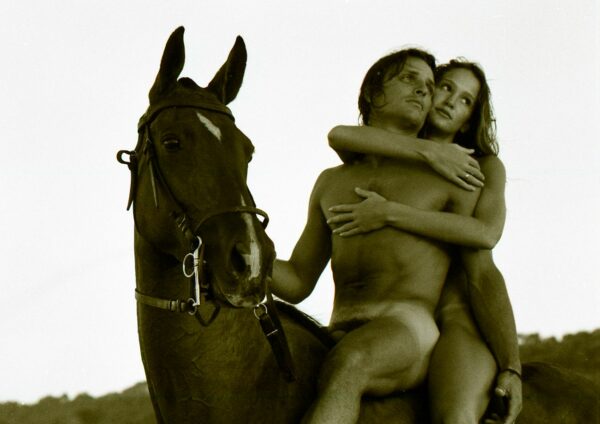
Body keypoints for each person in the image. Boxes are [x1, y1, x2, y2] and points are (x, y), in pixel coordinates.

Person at [271, 49, 490, 424]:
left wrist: (510, 363)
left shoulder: (449, 176)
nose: (423, 91)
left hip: (408, 330)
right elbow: (297, 281)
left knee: (351, 361)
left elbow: (483, 254)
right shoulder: (331, 181)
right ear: (374, 93)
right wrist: (247, 253)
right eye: (409, 79)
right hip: (339, 326)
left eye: (428, 86)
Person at [326, 59, 521, 423]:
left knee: (456, 417)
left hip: (456, 314)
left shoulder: (481, 167)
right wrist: (432, 151)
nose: (450, 102)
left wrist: (390, 213)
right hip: (390, 312)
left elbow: (485, 237)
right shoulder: (394, 152)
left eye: (466, 100)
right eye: (445, 88)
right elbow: (339, 135)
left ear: (470, 119)